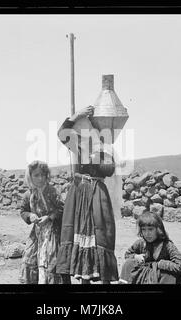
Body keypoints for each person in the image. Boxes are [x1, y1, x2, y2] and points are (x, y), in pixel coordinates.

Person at [55, 106, 119, 284]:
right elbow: (61, 134)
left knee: (100, 232)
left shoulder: (106, 150)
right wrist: (75, 117)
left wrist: (98, 156)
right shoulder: (77, 147)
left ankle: (98, 276)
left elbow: (109, 170)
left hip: (97, 195)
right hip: (78, 194)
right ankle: (79, 275)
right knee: (74, 232)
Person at [19, 160, 64, 284]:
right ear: (30, 176)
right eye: (36, 175)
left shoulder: (53, 191)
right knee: (29, 259)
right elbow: (23, 211)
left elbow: (62, 209)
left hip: (53, 234)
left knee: (51, 262)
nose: (40, 178)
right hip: (37, 234)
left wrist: (49, 217)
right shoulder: (29, 194)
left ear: (47, 175)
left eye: (42, 175)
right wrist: (30, 216)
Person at [119, 212, 181, 284]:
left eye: (150, 229)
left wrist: (160, 264)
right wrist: (136, 256)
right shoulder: (141, 243)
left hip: (159, 278)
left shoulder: (167, 246)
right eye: (144, 229)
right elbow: (127, 254)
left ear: (158, 229)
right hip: (143, 277)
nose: (147, 233)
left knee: (169, 275)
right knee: (128, 263)